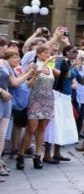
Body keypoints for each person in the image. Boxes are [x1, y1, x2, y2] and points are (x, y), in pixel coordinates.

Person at [17, 45, 55, 170]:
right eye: (45, 53)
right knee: (31, 128)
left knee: (42, 129)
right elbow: (28, 84)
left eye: (48, 53)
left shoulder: (51, 66)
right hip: (35, 99)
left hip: (48, 99)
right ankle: (21, 154)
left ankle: (38, 155)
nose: (47, 55)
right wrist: (36, 73)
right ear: (38, 54)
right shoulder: (33, 66)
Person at [43, 45, 83, 164]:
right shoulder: (60, 60)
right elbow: (61, 75)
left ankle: (57, 153)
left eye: (77, 52)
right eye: (73, 51)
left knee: (63, 125)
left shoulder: (73, 64)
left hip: (67, 97)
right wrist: (72, 66)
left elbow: (82, 81)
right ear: (66, 52)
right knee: (54, 124)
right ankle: (46, 155)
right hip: (57, 95)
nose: (76, 54)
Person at [0, 50, 34, 179]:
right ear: (6, 57)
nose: (17, 59)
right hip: (2, 97)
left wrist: (30, 73)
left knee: (1, 136)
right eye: (14, 57)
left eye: (18, 57)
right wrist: (1, 90)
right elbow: (14, 83)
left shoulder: (10, 68)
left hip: (6, 103)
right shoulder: (2, 63)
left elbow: (15, 82)